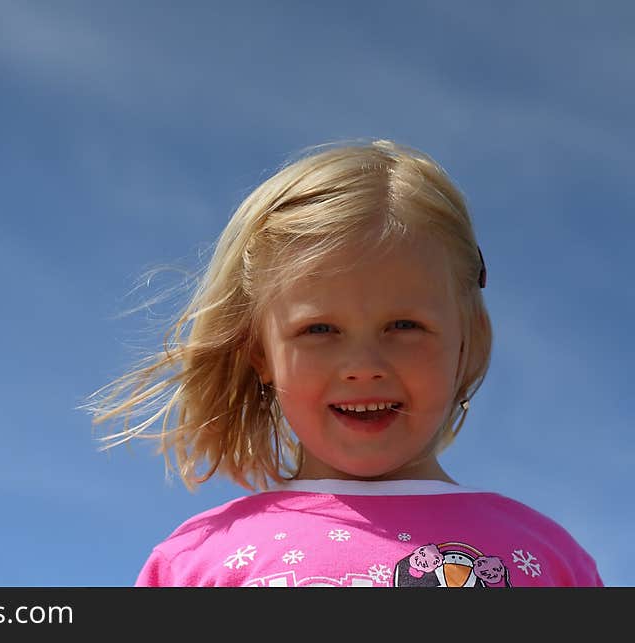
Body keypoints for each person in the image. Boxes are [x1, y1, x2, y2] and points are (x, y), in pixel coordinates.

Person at [86, 139, 603, 587]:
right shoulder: (198, 562)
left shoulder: (547, 558)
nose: (362, 365)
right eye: (319, 330)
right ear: (261, 354)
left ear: (466, 339)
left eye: (404, 326)